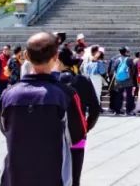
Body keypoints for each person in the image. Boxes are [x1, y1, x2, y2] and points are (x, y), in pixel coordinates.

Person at [0, 32, 87, 186]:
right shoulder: (66, 95)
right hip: (53, 176)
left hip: (14, 177)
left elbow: (5, 129)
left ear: (26, 55)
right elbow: (77, 135)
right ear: (56, 56)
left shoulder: (8, 95)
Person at [55, 46, 101, 186]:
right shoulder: (83, 80)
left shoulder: (53, 82)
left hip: (55, 136)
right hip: (78, 134)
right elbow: (95, 109)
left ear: (58, 61)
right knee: (75, 177)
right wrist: (86, 127)